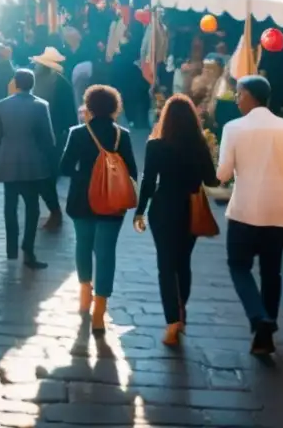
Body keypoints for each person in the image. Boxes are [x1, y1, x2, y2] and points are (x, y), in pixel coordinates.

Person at [217, 75, 283, 355]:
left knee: (238, 266)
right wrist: (282, 197)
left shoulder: (233, 128)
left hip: (245, 210)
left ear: (249, 95)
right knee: (271, 272)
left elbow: (222, 174)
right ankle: (265, 337)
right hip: (279, 211)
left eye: (238, 94)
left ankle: (258, 316)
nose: (236, 99)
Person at [134, 94, 219, 346]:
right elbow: (211, 180)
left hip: (162, 208)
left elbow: (149, 182)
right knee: (183, 263)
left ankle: (172, 320)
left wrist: (139, 211)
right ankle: (181, 313)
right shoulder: (200, 145)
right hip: (190, 208)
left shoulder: (156, 145)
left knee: (165, 266)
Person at [59, 85, 139, 335]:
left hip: (82, 199)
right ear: (115, 107)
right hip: (112, 203)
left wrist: (86, 174)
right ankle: (100, 313)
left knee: (83, 244)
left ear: (89, 106)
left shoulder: (78, 133)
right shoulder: (122, 136)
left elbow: (64, 167)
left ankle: (85, 292)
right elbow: (133, 172)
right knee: (106, 253)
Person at [0, 69, 57, 269]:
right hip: (33, 163)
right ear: (32, 84)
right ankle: (28, 250)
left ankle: (11, 249)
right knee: (32, 207)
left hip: (7, 161)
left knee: (10, 206)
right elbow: (48, 139)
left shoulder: (1, 105)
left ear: (16, 83)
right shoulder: (41, 105)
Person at [32, 47, 76, 230]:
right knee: (42, 175)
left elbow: (69, 115)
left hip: (55, 136)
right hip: (39, 135)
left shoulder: (60, 84)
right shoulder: (40, 82)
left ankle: (55, 213)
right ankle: (53, 212)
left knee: (47, 176)